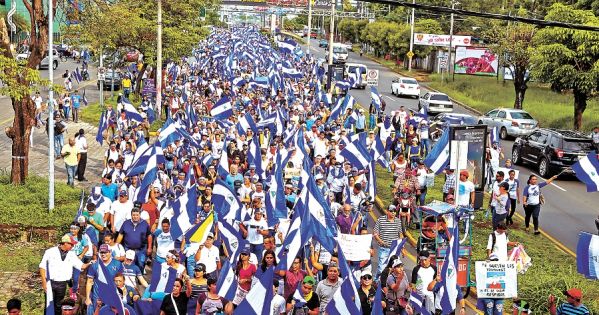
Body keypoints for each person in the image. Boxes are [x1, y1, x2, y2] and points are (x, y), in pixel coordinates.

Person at [40, 234, 90, 315]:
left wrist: (90, 263)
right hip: (50, 282)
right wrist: (44, 282)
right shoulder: (50, 252)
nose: (72, 246)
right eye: (71, 244)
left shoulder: (72, 254)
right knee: (49, 304)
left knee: (59, 305)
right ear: (65, 243)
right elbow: (42, 267)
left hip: (62, 283)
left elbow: (82, 266)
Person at [85, 244, 124, 314]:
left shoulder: (118, 264)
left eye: (105, 252)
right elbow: (89, 282)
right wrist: (87, 298)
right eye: (101, 252)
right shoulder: (94, 265)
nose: (103, 254)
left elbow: (121, 281)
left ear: (110, 252)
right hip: (98, 296)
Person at [116, 207, 152, 274]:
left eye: (137, 215)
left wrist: (149, 247)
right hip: (128, 248)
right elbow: (120, 234)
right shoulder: (126, 223)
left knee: (141, 264)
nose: (135, 217)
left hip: (141, 249)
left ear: (139, 215)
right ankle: (129, 278)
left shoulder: (145, 223)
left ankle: (139, 278)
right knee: (128, 264)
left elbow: (149, 235)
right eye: (133, 215)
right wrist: (116, 246)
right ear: (131, 215)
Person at [373, 204, 403, 279]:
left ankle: (389, 282)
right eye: (391, 211)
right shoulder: (381, 220)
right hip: (384, 248)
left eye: (394, 211)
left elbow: (400, 234)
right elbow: (375, 233)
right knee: (382, 268)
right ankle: (377, 281)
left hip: (395, 249)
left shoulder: (398, 221)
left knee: (394, 268)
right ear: (387, 211)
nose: (393, 213)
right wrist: (380, 241)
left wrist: (402, 247)